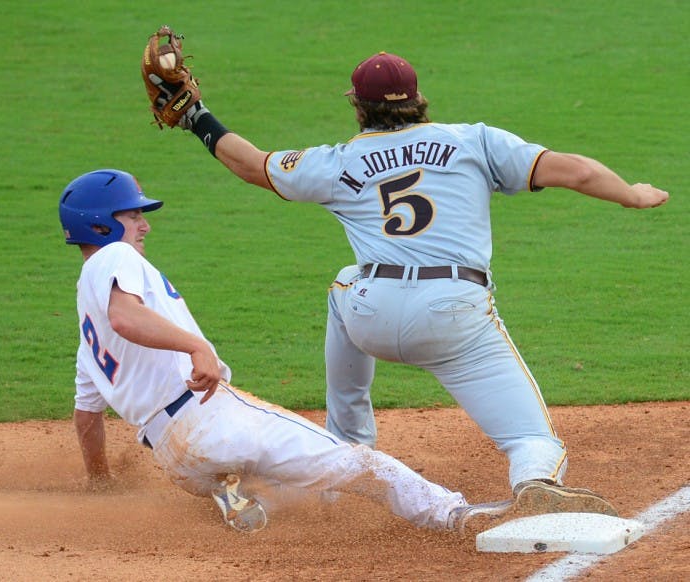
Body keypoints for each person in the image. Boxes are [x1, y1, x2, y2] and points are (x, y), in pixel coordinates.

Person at [168, 50, 669, 515]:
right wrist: (631, 194)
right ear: (418, 98)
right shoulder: (474, 140)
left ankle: (347, 449)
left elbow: (251, 164)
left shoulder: (338, 160)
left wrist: (197, 117)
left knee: (345, 284)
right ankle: (535, 479)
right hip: (454, 317)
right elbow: (575, 171)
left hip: (372, 313)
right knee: (532, 439)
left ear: (358, 106)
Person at [59, 167, 558, 535]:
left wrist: (101, 481)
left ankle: (232, 493)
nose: (144, 225)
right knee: (359, 465)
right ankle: (456, 515)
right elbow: (127, 315)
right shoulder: (113, 258)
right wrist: (195, 347)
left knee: (268, 469)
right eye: (132, 215)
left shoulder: (88, 338)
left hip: (174, 459)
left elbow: (87, 419)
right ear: (100, 225)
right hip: (211, 420)